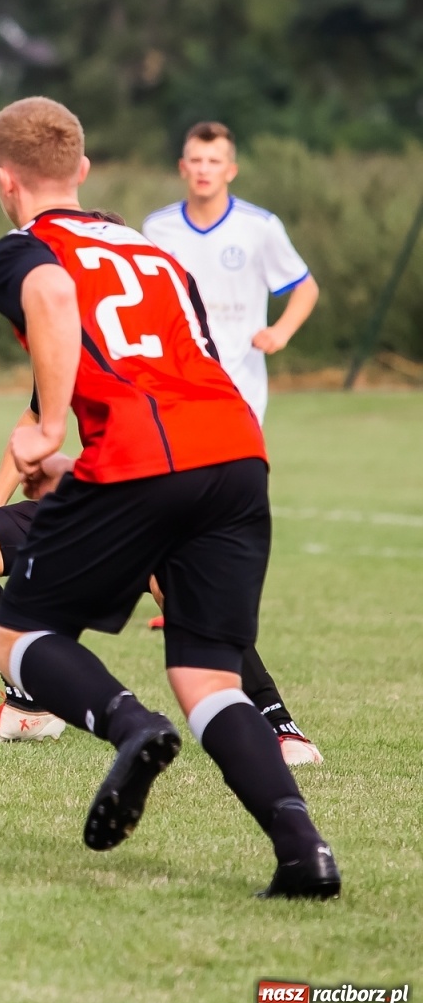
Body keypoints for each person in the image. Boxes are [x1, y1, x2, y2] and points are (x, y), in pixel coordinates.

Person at [0, 97, 338, 897]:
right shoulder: (155, 252)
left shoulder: (20, 247)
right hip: (238, 451)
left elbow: (55, 300)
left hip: (146, 453)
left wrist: (48, 424)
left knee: (18, 632)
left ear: (6, 179)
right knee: (210, 676)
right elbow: (185, 361)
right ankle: (302, 850)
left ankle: (130, 726)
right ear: (84, 170)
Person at [0, 399, 325, 764]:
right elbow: (37, 415)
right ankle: (30, 704)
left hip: (164, 495)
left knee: (175, 587)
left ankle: (277, 724)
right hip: (88, 500)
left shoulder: (162, 338)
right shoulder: (63, 334)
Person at [139, 122, 320, 631]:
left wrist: (280, 332)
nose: (203, 170)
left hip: (238, 391)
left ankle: (221, 606)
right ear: (182, 167)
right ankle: (179, 600)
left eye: (214, 161)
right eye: (195, 160)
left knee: (224, 502)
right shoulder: (157, 230)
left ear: (230, 170)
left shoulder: (259, 227)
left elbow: (304, 288)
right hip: (174, 389)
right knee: (175, 495)